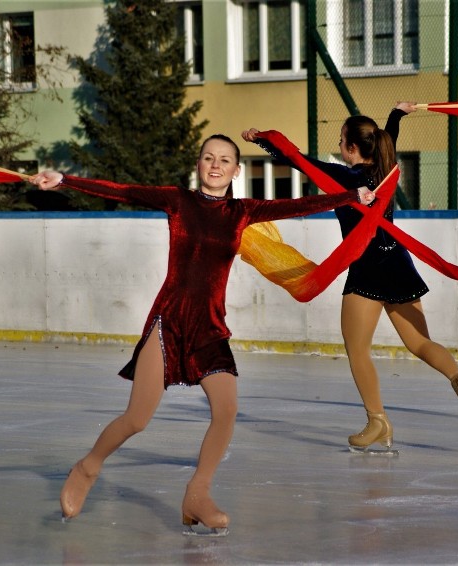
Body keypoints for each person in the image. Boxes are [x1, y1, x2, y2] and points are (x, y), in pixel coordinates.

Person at [29, 134, 377, 534]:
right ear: (198, 164)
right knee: (138, 418)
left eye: (225, 160)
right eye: (209, 158)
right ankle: (88, 468)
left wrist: (351, 196)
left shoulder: (242, 211)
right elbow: (124, 190)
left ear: (236, 170)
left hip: (209, 327)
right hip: (170, 321)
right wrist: (66, 180)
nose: (216, 165)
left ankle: (198, 494)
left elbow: (296, 205)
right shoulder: (179, 201)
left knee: (226, 411)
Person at [242, 102, 458, 453]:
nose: (339, 146)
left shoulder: (348, 178)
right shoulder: (386, 169)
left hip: (368, 269)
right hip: (399, 265)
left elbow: (299, 161)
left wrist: (262, 139)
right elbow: (389, 139)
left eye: (342, 140)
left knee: (358, 350)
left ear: (352, 148)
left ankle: (378, 421)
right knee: (419, 343)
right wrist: (396, 115)